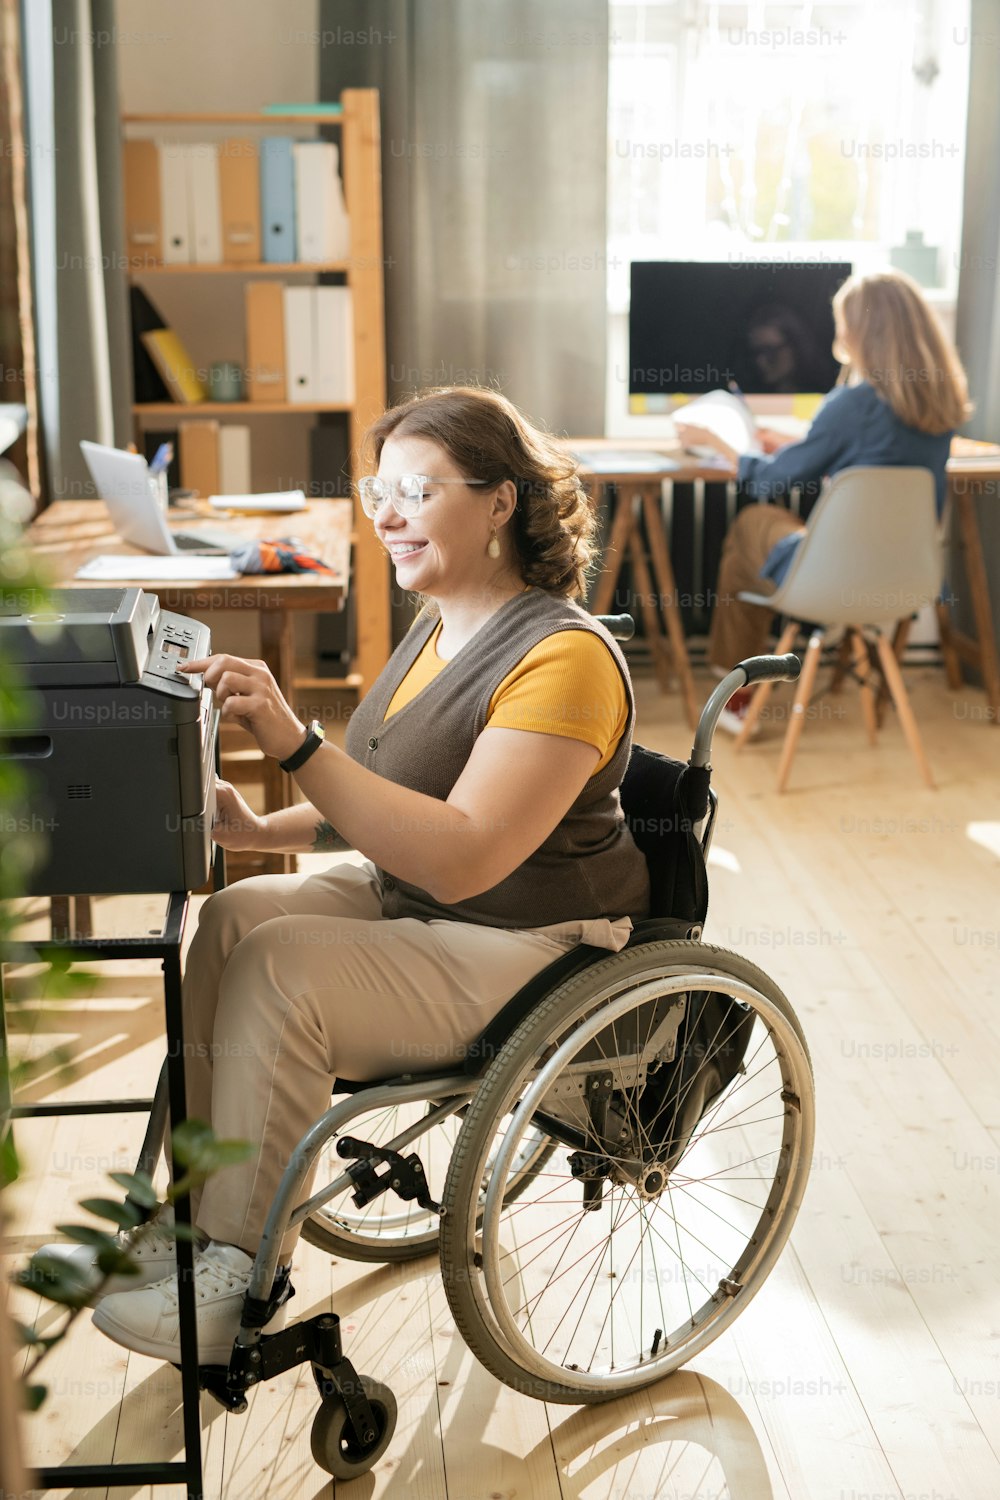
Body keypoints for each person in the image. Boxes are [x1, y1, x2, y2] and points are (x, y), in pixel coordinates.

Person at [42, 386, 651, 1363]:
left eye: (417, 488)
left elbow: (464, 848)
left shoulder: (563, 657)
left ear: (499, 502)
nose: (386, 511)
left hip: (531, 937)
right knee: (237, 917)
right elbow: (383, 793)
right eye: (380, 488)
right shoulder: (439, 619)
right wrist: (261, 822)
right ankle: (199, 1216)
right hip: (431, 900)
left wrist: (291, 740)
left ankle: (242, 1265)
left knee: (283, 968)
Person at [675, 269, 972, 733]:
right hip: (905, 579)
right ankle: (740, 687)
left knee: (754, 522)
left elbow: (771, 480)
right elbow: (874, 446)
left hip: (832, 576)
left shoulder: (849, 406)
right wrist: (805, 440)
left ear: (859, 331)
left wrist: (723, 441)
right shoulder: (942, 406)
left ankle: (734, 693)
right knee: (783, 525)